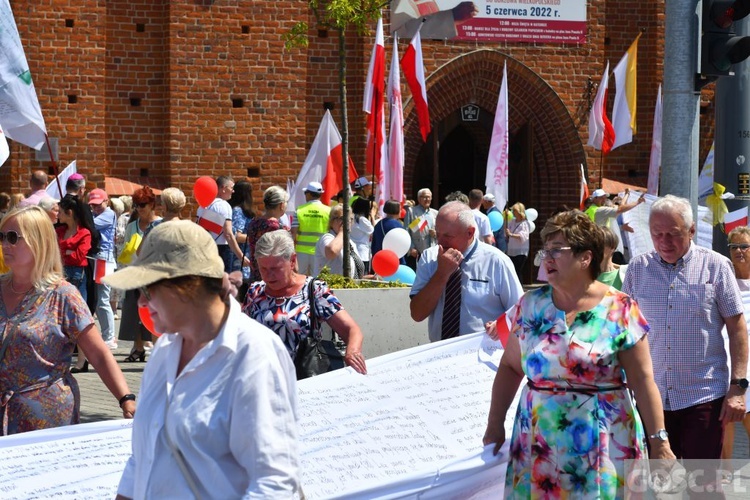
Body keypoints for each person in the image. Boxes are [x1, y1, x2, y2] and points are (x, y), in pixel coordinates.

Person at [482, 210, 674, 497]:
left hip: (602, 443)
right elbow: (511, 368)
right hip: (538, 445)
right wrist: (494, 423)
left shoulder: (620, 308)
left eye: (557, 250)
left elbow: (643, 382)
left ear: (586, 258)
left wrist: (659, 441)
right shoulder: (531, 305)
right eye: (545, 250)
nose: (547, 258)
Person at [105, 221, 299, 498]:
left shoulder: (253, 353)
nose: (141, 304)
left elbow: (275, 483)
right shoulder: (164, 350)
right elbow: (142, 459)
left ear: (186, 286)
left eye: (146, 290)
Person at [623, 195, 748, 460]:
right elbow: (625, 330)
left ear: (691, 231)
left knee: (702, 485)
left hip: (702, 396)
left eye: (673, 234)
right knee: (661, 484)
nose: (664, 242)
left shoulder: (715, 266)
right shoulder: (637, 269)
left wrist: (738, 387)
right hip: (650, 397)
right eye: (657, 234)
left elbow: (737, 328)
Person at [0, 206, 136, 435]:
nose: (4, 244)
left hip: (46, 420)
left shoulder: (63, 294)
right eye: (1, 236)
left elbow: (99, 354)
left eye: (13, 237)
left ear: (38, 241)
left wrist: (126, 398)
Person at [243, 229, 367, 375]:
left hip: (303, 378)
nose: (269, 275)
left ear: (292, 261)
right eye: (263, 268)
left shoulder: (314, 289)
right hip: (262, 377)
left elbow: (351, 329)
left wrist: (352, 352)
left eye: (275, 269)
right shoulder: (255, 291)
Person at [410, 201, 522, 342]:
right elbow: (417, 313)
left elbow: (520, 311)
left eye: (447, 236)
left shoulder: (496, 261)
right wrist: (441, 274)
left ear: (470, 232)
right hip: (440, 354)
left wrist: (501, 325)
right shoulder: (429, 258)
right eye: (437, 234)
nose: (440, 241)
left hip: (483, 354)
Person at [118, 186, 162, 362]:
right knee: (133, 311)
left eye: (142, 204)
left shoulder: (160, 223)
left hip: (154, 276)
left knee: (153, 313)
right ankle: (138, 347)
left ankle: (158, 350)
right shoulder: (132, 225)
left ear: (152, 204)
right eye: (136, 205)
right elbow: (126, 249)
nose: (139, 208)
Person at [722, 226, 750, 460]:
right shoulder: (723, 277)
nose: (739, 251)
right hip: (728, 359)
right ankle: (724, 476)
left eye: (744, 246)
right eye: (734, 247)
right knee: (725, 422)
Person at [196, 175, 249, 273]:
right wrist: (240, 256)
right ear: (223, 188)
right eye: (231, 188)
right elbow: (228, 234)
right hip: (221, 250)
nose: (233, 191)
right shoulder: (223, 205)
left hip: (204, 249)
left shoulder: (203, 205)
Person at [89, 188, 118, 350]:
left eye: (98, 205)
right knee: (98, 300)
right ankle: (107, 335)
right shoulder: (95, 214)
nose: (95, 208)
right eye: (93, 206)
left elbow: (90, 226)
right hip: (97, 258)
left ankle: (110, 337)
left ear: (106, 201)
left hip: (104, 260)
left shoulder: (109, 214)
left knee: (103, 300)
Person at [246, 185, 287, 284]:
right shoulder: (276, 227)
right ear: (281, 205)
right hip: (273, 277)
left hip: (256, 274)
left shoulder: (254, 222)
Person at [56, 195, 94, 303]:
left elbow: (78, 257)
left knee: (77, 307)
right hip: (60, 273)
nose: (57, 215)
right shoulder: (59, 231)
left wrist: (62, 253)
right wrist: (68, 252)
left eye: (60, 212)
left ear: (69, 213)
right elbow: (54, 252)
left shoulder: (84, 233)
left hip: (76, 276)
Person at [314, 204, 365, 278]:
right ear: (331, 222)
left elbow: (352, 274)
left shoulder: (351, 243)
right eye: (342, 218)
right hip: (328, 287)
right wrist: (342, 232)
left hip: (347, 288)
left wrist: (369, 278)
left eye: (350, 218)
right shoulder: (327, 238)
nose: (347, 222)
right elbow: (331, 252)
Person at [292, 181, 331, 275]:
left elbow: (293, 233)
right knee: (318, 280)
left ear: (308, 194)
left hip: (301, 251)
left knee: (300, 279)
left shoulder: (299, 210)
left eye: (305, 193)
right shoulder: (329, 211)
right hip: (320, 251)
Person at [404, 188, 438, 269]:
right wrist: (411, 248)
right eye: (425, 197)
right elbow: (406, 231)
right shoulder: (412, 212)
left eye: (429, 197)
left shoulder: (435, 213)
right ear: (419, 198)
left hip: (432, 252)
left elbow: (441, 232)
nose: (427, 199)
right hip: (417, 252)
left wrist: (435, 234)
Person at [228, 180, 255, 276]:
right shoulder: (238, 211)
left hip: (246, 257)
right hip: (239, 260)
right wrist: (256, 238)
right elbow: (237, 236)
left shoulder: (242, 211)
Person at [505, 202, 531, 282]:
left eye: (515, 210)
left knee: (517, 270)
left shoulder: (524, 223)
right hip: (511, 249)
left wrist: (511, 234)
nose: (513, 212)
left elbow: (523, 236)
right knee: (512, 271)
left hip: (520, 251)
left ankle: (520, 288)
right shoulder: (512, 221)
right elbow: (506, 230)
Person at [597, 226, 627, 290]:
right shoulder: (585, 277)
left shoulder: (626, 274)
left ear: (612, 248)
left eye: (600, 244)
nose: (595, 248)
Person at [351, 197, 375, 272]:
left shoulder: (351, 218)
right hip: (362, 252)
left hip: (352, 251)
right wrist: (373, 216)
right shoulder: (362, 220)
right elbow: (372, 230)